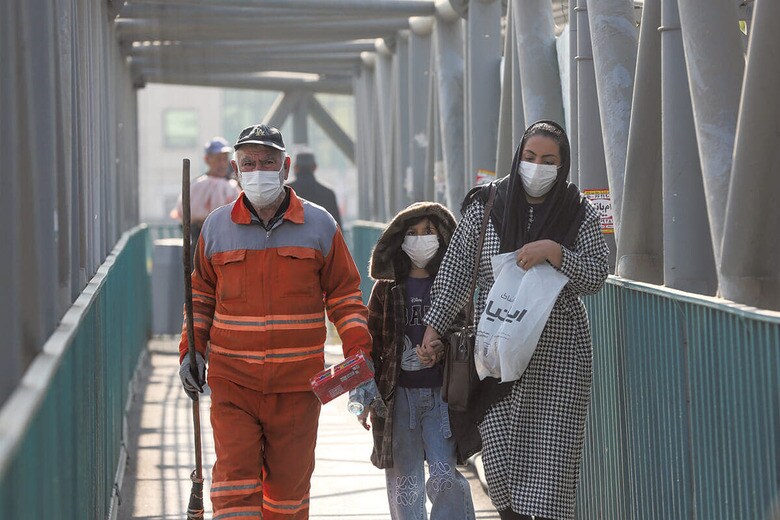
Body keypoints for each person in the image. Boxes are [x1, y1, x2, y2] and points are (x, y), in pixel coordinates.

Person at [177, 123, 372, 520]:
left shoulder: (320, 227)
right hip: (233, 384)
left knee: (287, 498)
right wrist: (190, 354)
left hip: (298, 388)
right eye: (249, 163)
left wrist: (360, 357)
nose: (258, 170)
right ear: (236, 170)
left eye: (268, 162)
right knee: (234, 491)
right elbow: (199, 299)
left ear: (285, 169)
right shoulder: (215, 228)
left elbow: (346, 297)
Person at [421, 120, 609, 520]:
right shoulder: (487, 204)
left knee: (552, 466)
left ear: (563, 165)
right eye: (530, 156)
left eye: (548, 160)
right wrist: (434, 329)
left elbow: (595, 276)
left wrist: (555, 252)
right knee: (502, 461)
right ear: (518, 155)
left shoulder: (579, 211)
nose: (537, 166)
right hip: (497, 353)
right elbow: (456, 271)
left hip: (559, 356)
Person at [362, 201, 477, 520]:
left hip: (442, 399)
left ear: (443, 237)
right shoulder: (386, 288)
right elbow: (371, 339)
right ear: (399, 239)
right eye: (412, 233)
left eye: (428, 231)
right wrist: (366, 395)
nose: (420, 239)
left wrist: (442, 346)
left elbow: (468, 332)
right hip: (397, 398)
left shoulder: (453, 287)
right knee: (405, 484)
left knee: (445, 477)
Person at [170, 136, 241, 244]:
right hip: (198, 239)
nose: (222, 164)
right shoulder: (196, 186)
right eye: (218, 159)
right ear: (207, 159)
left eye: (224, 159)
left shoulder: (232, 186)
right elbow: (182, 215)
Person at [287, 150, 342, 228]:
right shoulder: (328, 193)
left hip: (290, 239)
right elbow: (337, 226)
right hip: (320, 239)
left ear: (295, 167)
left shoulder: (285, 191)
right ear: (314, 167)